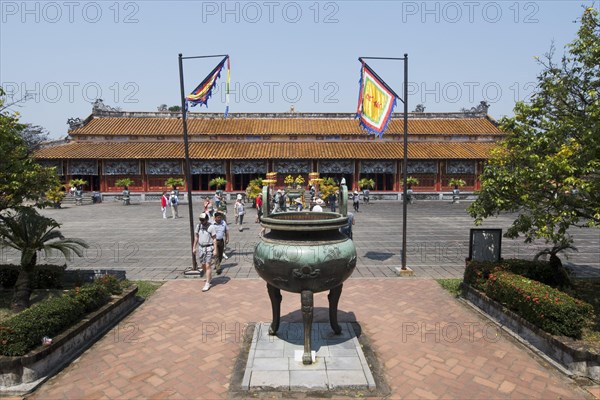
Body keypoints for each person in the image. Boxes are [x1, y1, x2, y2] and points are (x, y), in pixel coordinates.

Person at [192, 213, 217, 292]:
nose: (202, 221)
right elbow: (196, 237)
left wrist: (215, 250)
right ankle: (208, 277)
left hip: (209, 248)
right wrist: (194, 247)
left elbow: (214, 239)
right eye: (201, 220)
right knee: (203, 265)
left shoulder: (211, 227)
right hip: (201, 248)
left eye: (203, 220)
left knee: (208, 265)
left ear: (207, 219)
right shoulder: (198, 226)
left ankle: (207, 283)